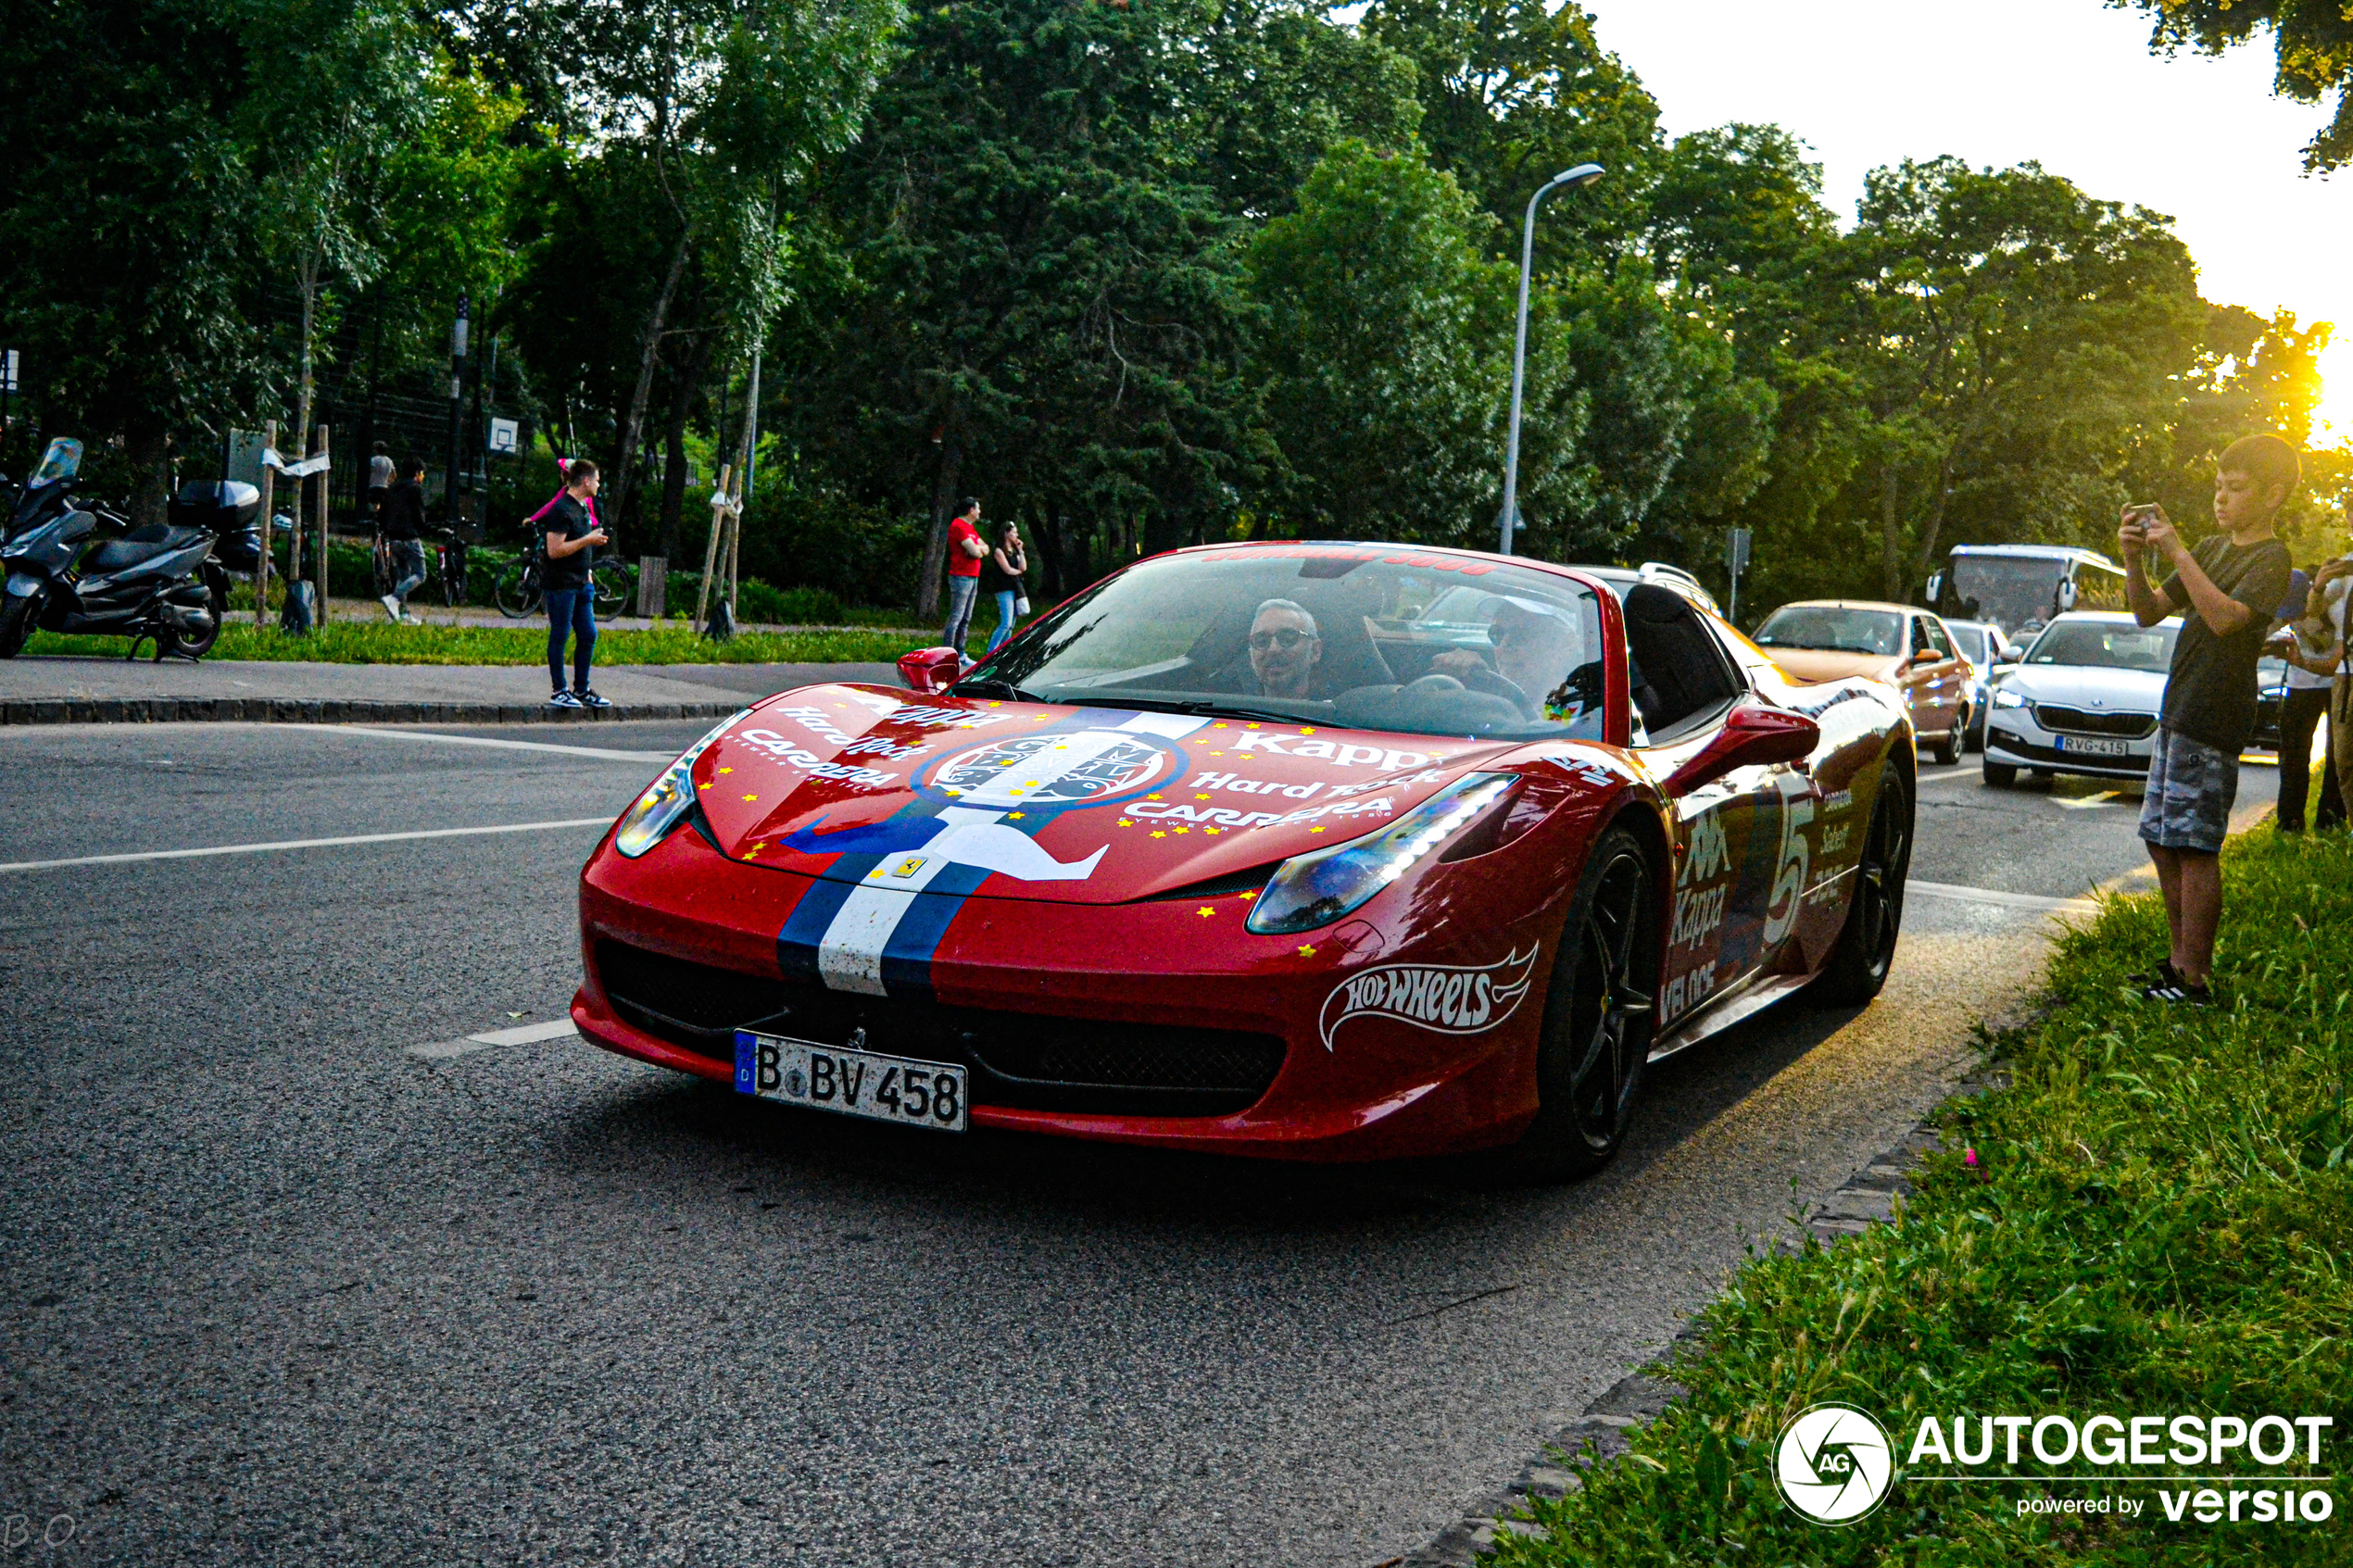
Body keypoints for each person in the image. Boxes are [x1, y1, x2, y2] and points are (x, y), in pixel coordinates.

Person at [2118, 433, 2298, 1004]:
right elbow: (2148, 613)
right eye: (2218, 487)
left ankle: (2194, 979)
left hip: (2216, 713)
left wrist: (2177, 553)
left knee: (2196, 847)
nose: (2222, 499)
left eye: (2236, 489)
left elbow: (2224, 619)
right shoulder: (2212, 548)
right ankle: (2177, 964)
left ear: (2272, 494)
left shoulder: (2272, 558)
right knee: (2162, 841)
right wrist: (2133, 558)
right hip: (2179, 707)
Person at [2267, 567, 2337, 833]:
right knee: (2293, 752)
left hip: (2338, 679)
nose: (2294, 617)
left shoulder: (2335, 601)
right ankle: (2289, 821)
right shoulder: (2284, 605)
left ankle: (2330, 820)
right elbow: (2261, 632)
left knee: (2337, 754)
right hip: (2301, 682)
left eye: (2297, 610)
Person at [1429, 596, 1581, 716]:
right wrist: (1468, 682)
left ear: (1564, 644)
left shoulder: (1577, 705)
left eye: (1521, 635)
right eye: (1497, 634)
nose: (1503, 646)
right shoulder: (1508, 693)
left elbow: (1548, 733)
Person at [543, 459, 610, 709]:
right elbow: (554, 550)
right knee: (560, 634)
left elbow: (581, 545)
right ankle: (559, 690)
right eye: (597, 480)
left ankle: (581, 689)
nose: (598, 484)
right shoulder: (561, 510)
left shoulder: (582, 507)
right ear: (585, 481)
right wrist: (587, 540)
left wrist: (589, 573)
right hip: (562, 584)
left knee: (589, 634)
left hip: (582, 582)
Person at [377, 458, 429, 623]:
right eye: (422, 473)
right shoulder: (415, 489)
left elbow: (382, 514)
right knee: (420, 574)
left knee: (403, 576)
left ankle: (403, 613)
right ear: (416, 473)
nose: (423, 477)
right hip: (410, 538)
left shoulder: (391, 489)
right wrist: (423, 528)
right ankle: (394, 598)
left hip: (393, 540)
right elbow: (419, 514)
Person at [1243, 598, 1322, 698]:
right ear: (1251, 656)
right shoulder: (1230, 710)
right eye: (1262, 641)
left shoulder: (1336, 711)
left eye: (1287, 638)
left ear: (1315, 651)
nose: (1273, 649)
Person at [941, 497, 988, 660]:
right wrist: (977, 550)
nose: (980, 512)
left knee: (966, 617)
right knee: (957, 616)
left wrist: (977, 549)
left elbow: (985, 548)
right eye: (978, 508)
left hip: (972, 576)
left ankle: (960, 652)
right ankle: (947, 653)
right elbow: (975, 552)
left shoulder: (970, 528)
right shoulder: (959, 526)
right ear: (971, 510)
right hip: (960, 576)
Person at [980, 520, 1027, 653]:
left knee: (1011, 624)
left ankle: (1004, 650)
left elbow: (1023, 567)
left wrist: (1020, 551)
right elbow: (1007, 569)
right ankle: (991, 650)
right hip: (1004, 588)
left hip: (1015, 588)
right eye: (1014, 533)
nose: (1016, 535)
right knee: (1006, 623)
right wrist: (1018, 572)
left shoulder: (1015, 551)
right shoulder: (999, 551)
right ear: (1006, 534)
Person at [365, 442, 393, 523]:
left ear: (376, 450)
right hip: (385, 487)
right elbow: (393, 475)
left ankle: (373, 522)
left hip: (374, 486)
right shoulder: (389, 461)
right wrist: (388, 481)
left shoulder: (373, 460)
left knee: (373, 506)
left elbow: (370, 470)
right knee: (383, 506)